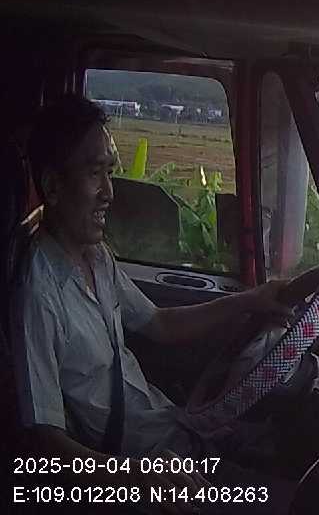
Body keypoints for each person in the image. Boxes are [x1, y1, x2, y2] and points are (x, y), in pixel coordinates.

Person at [9, 94, 292, 511]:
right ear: (52, 186)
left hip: (174, 434)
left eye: (110, 173)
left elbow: (159, 323)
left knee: (292, 457)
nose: (109, 192)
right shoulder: (37, 293)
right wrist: (137, 478)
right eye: (94, 173)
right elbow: (45, 441)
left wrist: (249, 300)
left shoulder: (96, 256)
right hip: (141, 476)